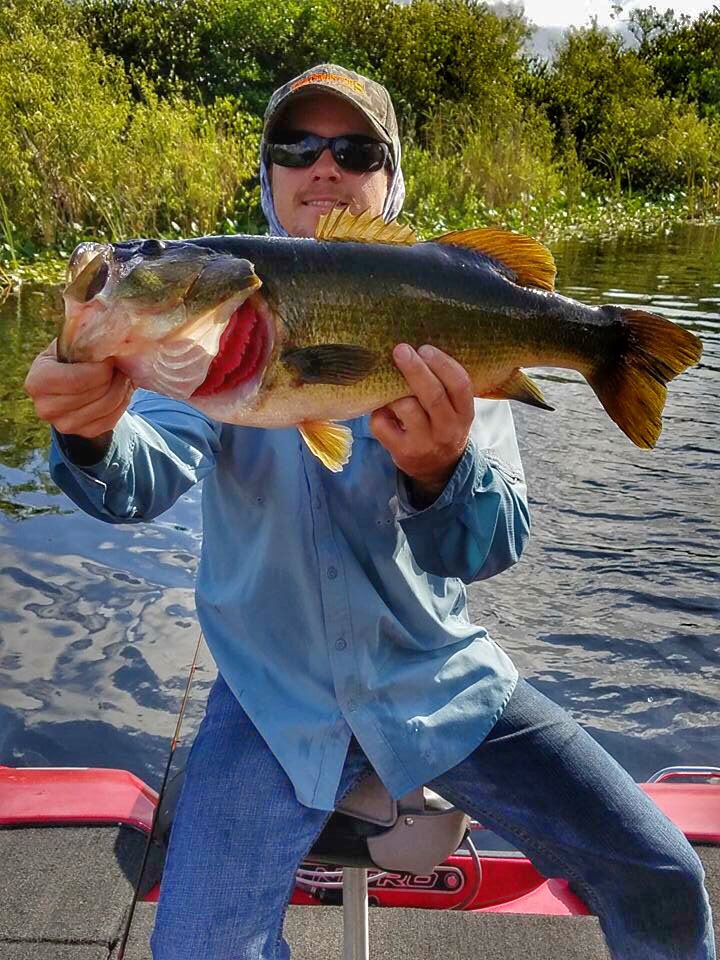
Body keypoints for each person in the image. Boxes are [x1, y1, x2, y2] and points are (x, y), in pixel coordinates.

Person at [24, 64, 714, 960]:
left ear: (390, 180)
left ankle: (610, 347)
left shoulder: (445, 314)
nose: (323, 166)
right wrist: (88, 436)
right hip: (268, 695)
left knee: (663, 873)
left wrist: (439, 471)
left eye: (354, 149)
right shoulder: (195, 349)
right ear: (266, 177)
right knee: (197, 947)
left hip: (436, 679)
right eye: (295, 147)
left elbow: (494, 540)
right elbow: (140, 476)